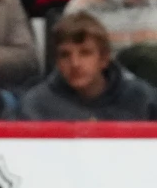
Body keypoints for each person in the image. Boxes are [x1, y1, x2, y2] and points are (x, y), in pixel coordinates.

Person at [19, 11, 157, 119]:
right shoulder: (37, 104)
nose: (75, 63)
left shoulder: (141, 99)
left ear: (104, 59)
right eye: (65, 55)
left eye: (85, 53)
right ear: (57, 61)